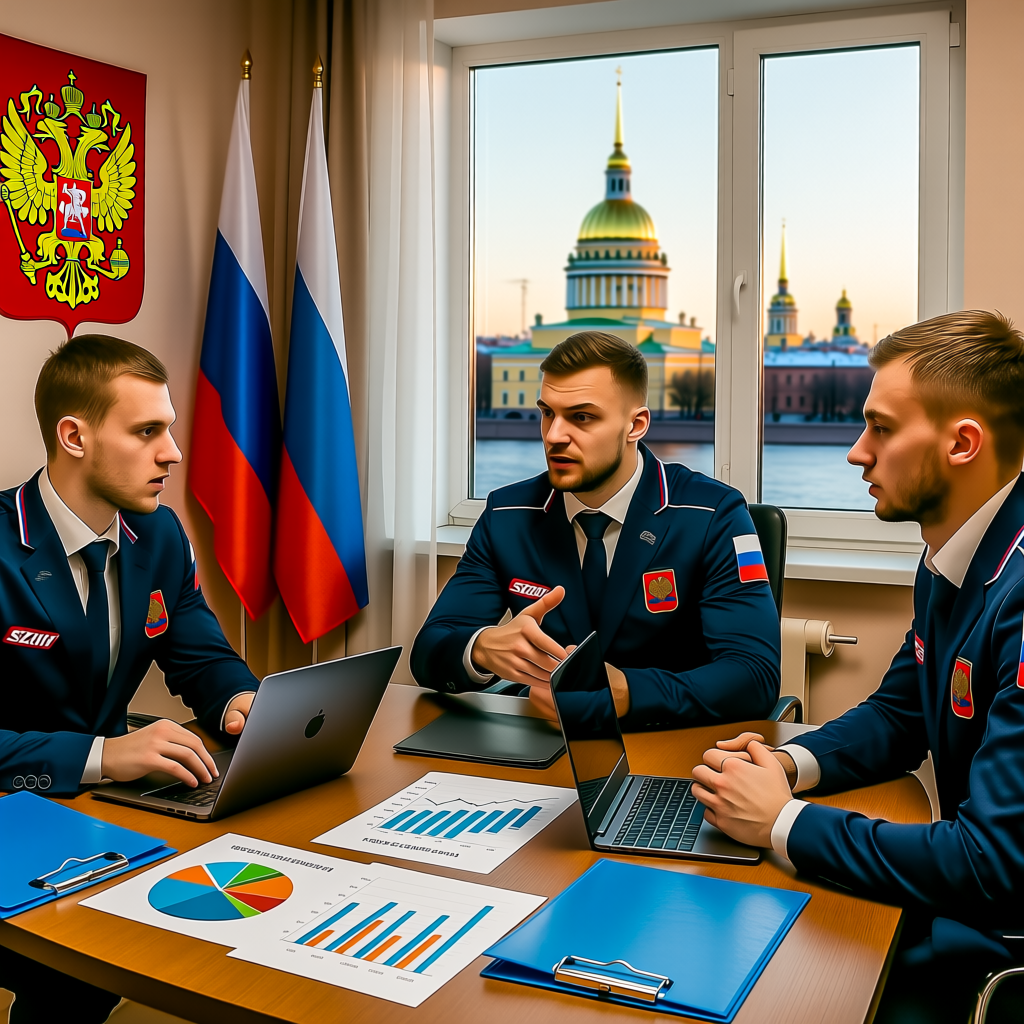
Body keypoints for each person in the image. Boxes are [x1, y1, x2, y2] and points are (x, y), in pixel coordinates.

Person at [691, 310, 1024, 1023]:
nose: (856, 453)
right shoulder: (953, 554)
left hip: (1001, 951)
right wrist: (788, 765)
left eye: (881, 428)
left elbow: (991, 862)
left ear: (963, 443)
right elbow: (901, 714)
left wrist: (782, 822)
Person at [0, 335, 260, 1023]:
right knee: (77, 973)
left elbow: (200, 654)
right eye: (147, 432)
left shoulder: (160, 535)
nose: (172, 452)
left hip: (101, 813)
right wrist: (103, 755)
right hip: (14, 814)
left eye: (168, 429)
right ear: (74, 437)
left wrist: (239, 700)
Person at [411, 331, 780, 728]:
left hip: (666, 739)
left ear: (635, 425)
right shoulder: (508, 513)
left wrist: (628, 693)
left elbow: (754, 675)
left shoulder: (713, 513)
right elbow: (429, 649)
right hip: (544, 737)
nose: (554, 436)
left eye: (581, 417)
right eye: (547, 413)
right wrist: (481, 649)